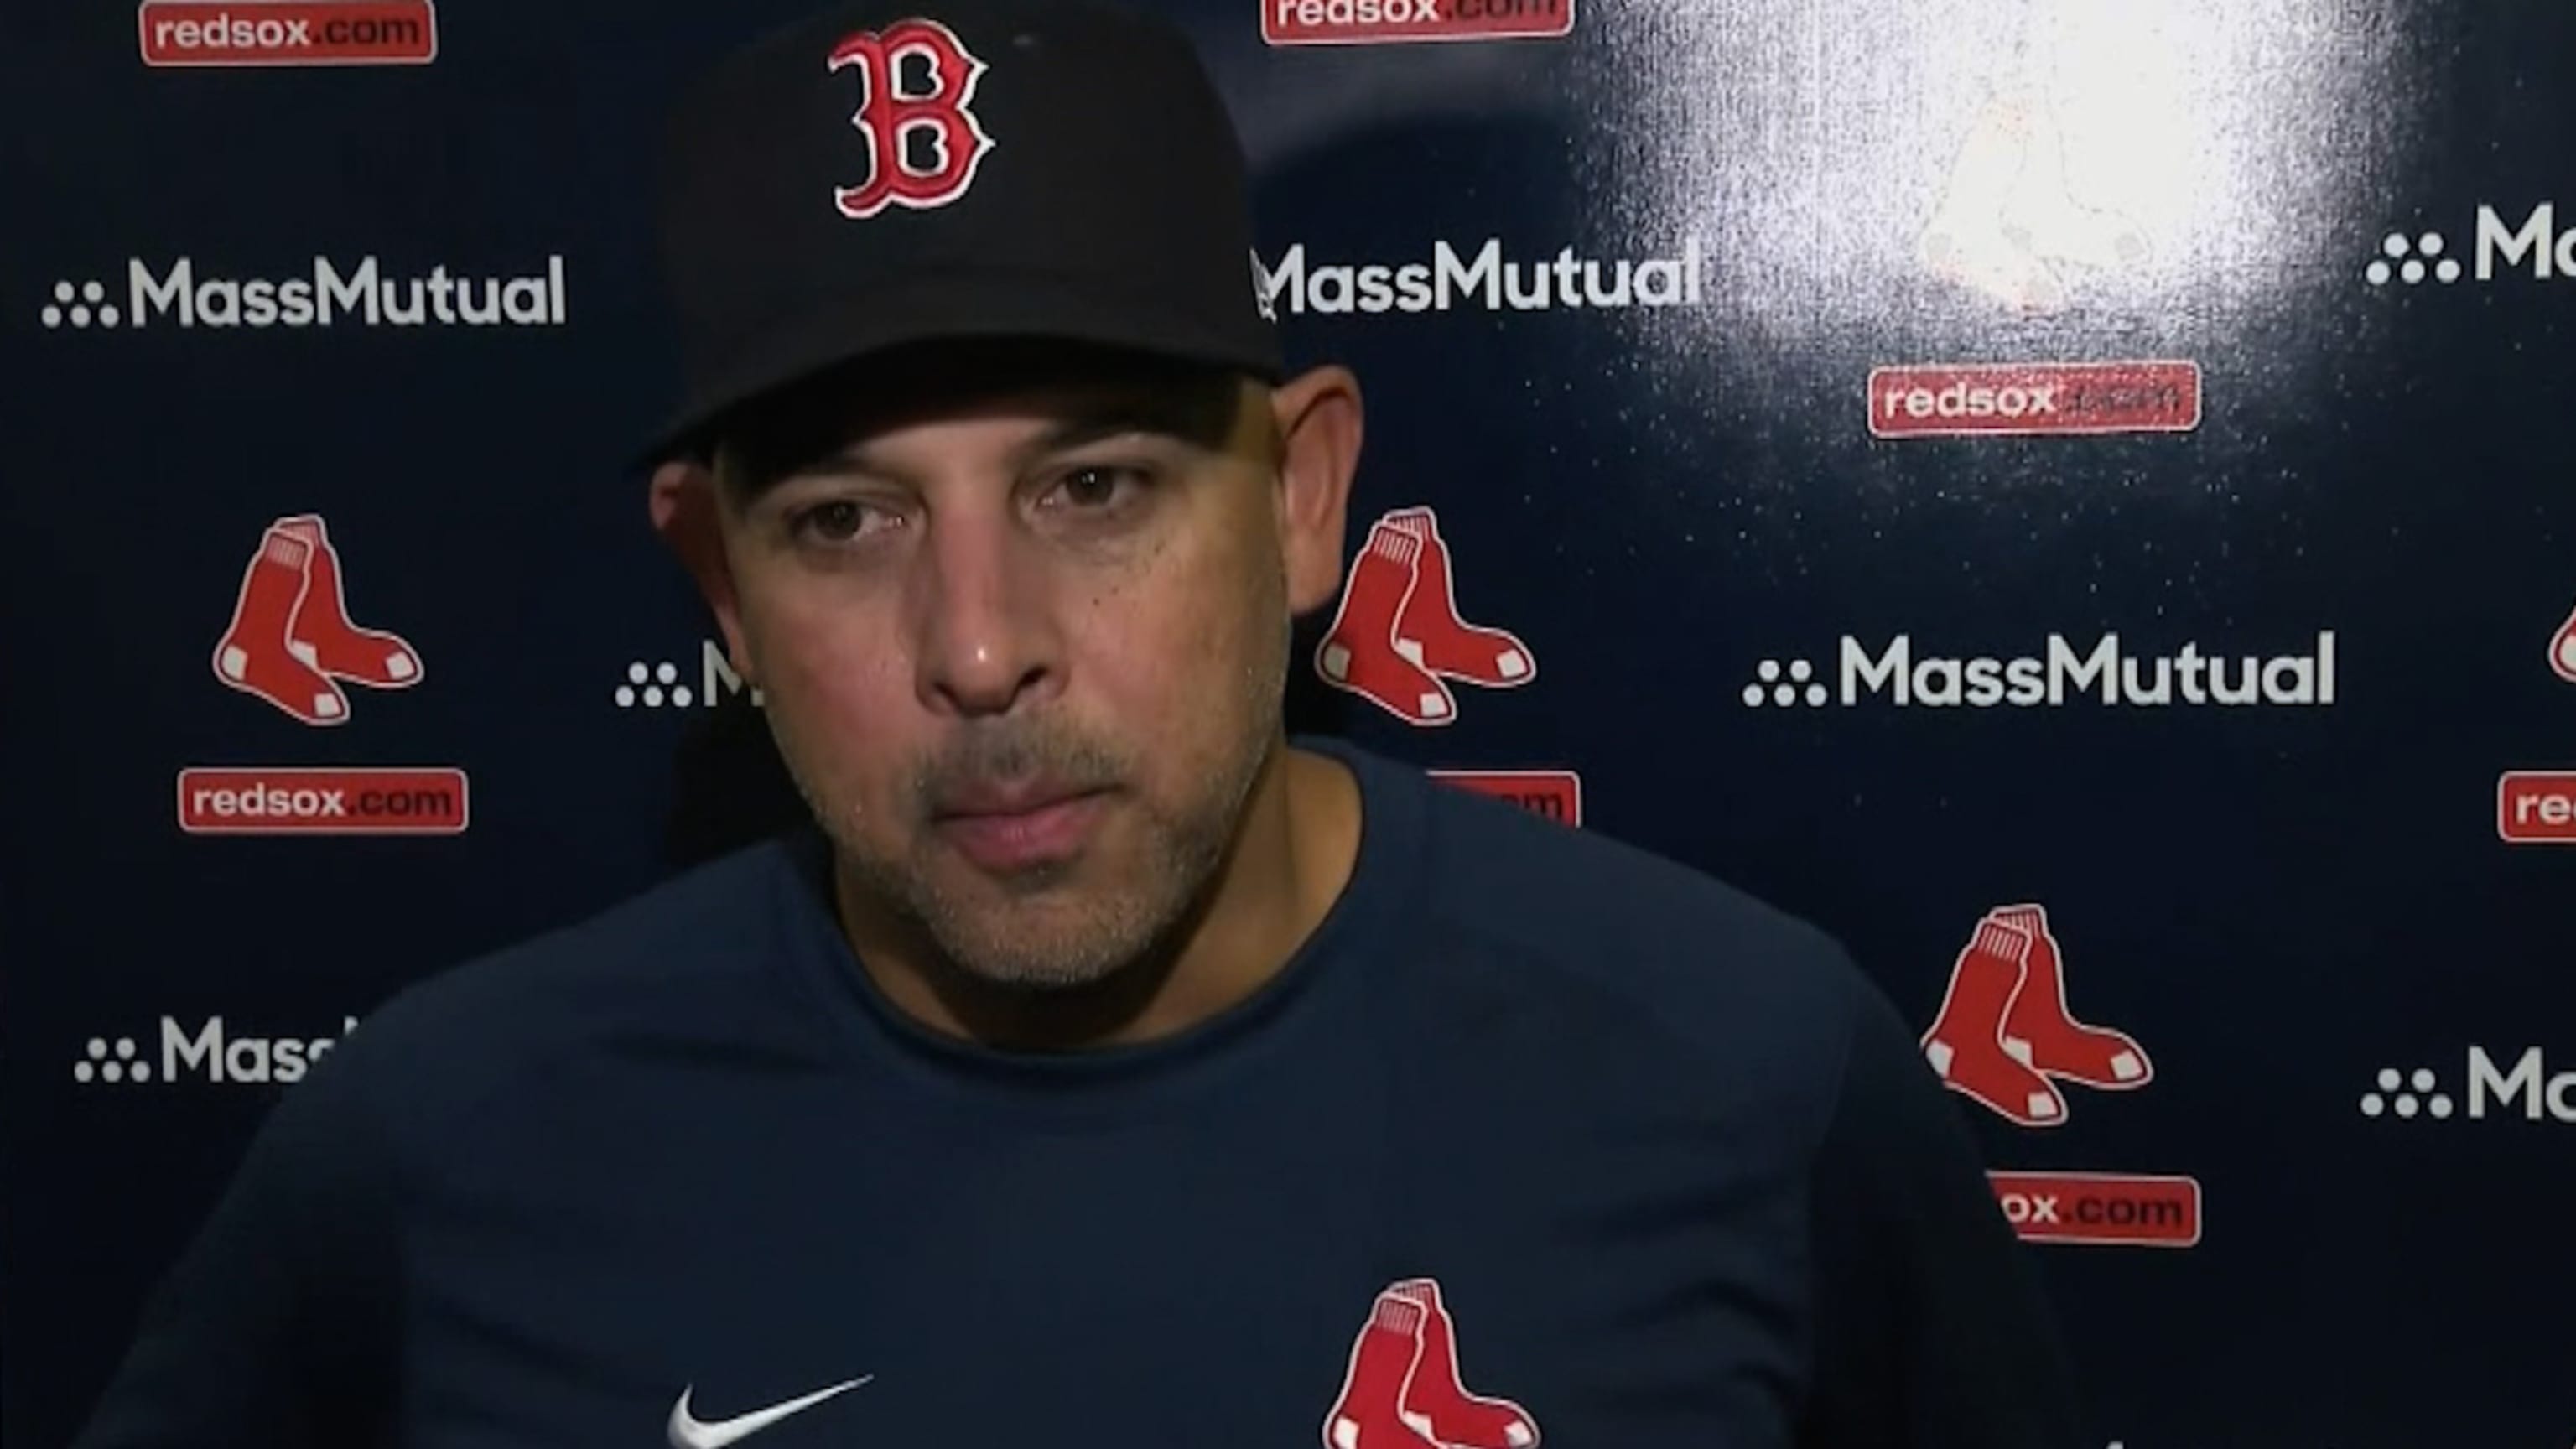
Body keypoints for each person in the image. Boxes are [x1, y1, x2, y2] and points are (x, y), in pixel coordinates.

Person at [68, 0, 2087, 1445]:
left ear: (1301, 500)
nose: (978, 648)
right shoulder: (434, 1150)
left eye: (1094, 488)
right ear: (720, 595)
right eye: (847, 521)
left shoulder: (1749, 1075)